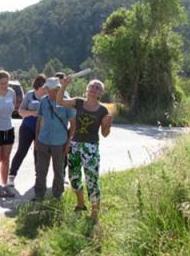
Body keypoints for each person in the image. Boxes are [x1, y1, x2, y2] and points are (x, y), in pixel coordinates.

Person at [56, 77, 112, 223]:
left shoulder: (103, 110)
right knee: (73, 177)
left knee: (92, 179)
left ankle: (94, 211)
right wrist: (64, 86)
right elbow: (59, 102)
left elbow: (105, 134)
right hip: (75, 144)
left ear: (101, 93)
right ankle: (80, 204)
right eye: (92, 86)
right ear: (87, 89)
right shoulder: (78, 102)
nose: (94, 89)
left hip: (91, 147)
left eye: (97, 88)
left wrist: (107, 125)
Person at [33, 77, 75, 200]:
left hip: (60, 142)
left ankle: (57, 195)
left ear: (57, 89)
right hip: (43, 140)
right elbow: (39, 119)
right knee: (40, 170)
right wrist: (36, 139)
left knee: (58, 171)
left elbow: (73, 124)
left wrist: (68, 143)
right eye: (47, 89)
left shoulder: (67, 102)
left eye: (50, 89)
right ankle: (39, 195)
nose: (48, 91)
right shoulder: (43, 101)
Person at [8, 74, 47, 189]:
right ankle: (12, 175)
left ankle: (38, 179)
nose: (46, 89)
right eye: (44, 86)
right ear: (39, 86)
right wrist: (32, 113)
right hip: (27, 127)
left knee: (38, 153)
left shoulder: (48, 97)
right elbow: (20, 111)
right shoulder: (30, 95)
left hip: (41, 129)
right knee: (21, 151)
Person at [0, 71, 16, 197]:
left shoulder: (11, 92)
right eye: (2, 83)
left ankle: (4, 185)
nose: (4, 86)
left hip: (8, 128)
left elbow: (13, 107)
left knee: (6, 159)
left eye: (6, 83)